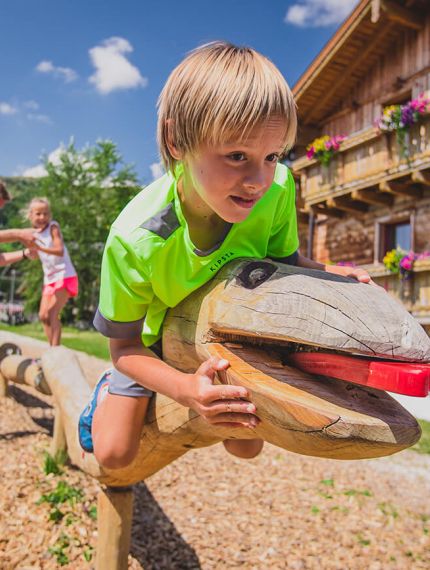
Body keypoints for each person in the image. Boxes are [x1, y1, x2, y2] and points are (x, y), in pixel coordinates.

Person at [78, 41, 372, 468]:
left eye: (272, 156)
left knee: (245, 444)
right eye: (236, 155)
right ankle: (104, 393)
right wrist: (182, 389)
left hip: (223, 333)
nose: (257, 179)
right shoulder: (136, 237)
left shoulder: (278, 189)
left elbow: (286, 262)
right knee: (114, 453)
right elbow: (122, 346)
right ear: (176, 139)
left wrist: (331, 274)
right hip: (152, 342)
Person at [26, 197, 78, 346]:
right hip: (49, 279)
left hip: (64, 275)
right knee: (43, 315)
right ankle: (52, 348)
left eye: (46, 213)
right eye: (38, 214)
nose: (42, 217)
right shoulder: (33, 234)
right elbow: (36, 255)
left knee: (52, 314)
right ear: (30, 215)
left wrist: (39, 248)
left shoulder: (53, 227)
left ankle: (56, 349)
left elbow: (59, 250)